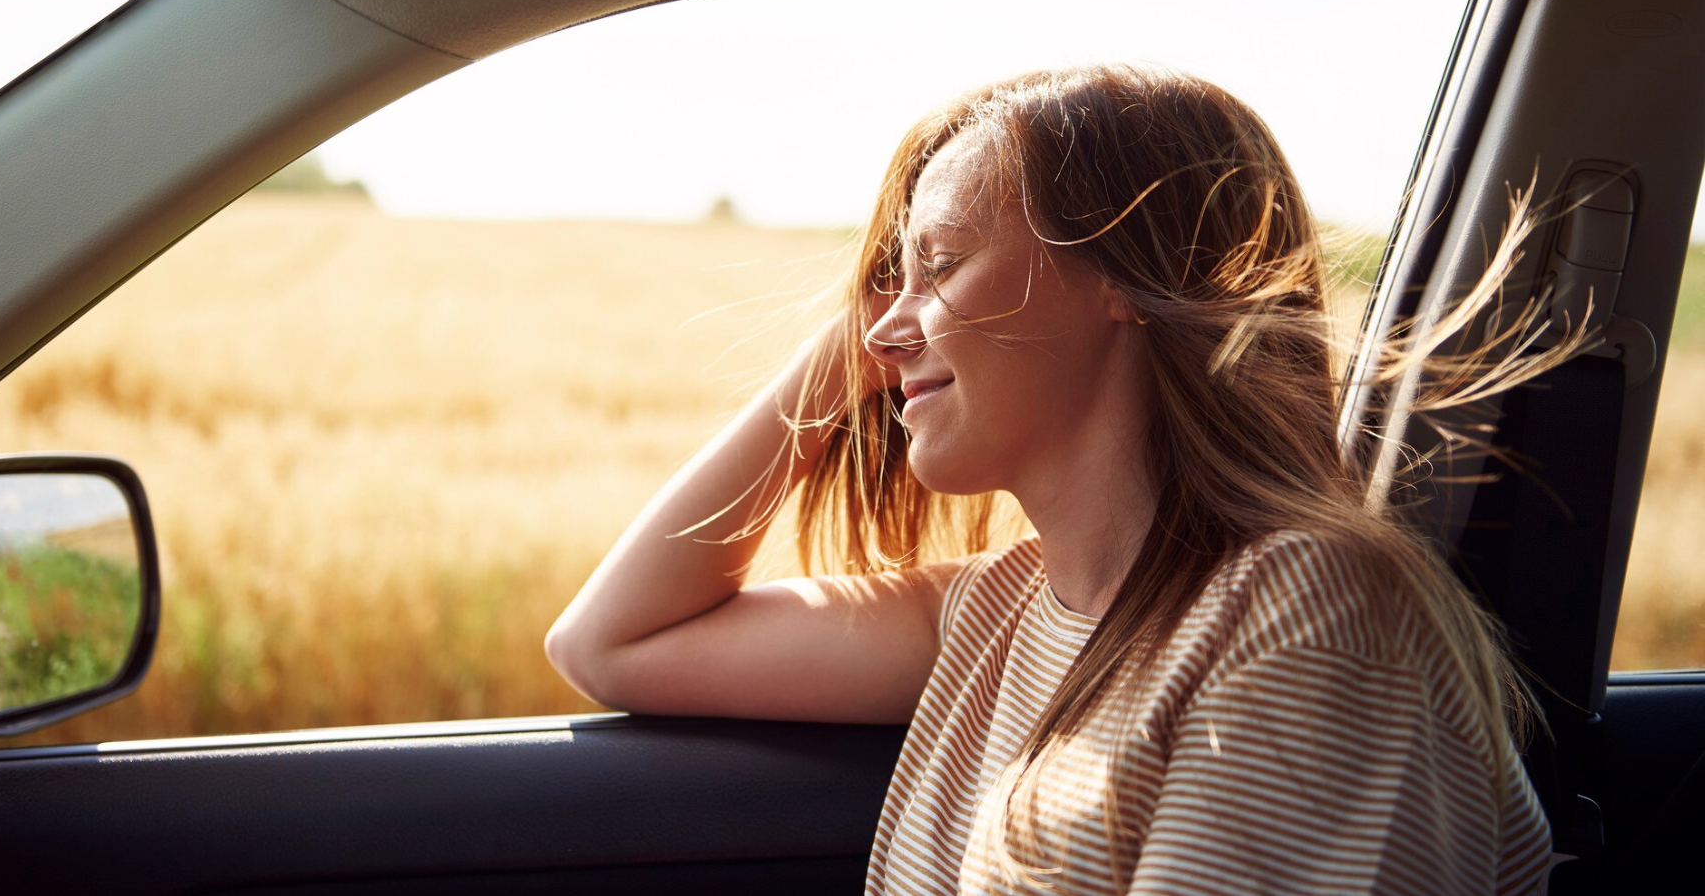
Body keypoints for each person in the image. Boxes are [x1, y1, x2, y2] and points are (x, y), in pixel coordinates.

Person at [546, 64, 1574, 895]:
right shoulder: (997, 608)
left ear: (1126, 279)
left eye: (940, 262)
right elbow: (610, 641)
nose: (883, 330)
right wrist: (881, 327)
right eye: (883, 286)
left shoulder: (1307, 610)